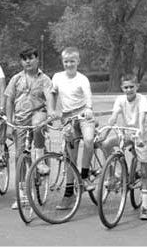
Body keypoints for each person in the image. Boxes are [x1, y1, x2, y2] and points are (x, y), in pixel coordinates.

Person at [47, 47, 97, 210]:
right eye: (66, 61)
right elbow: (52, 94)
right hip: (68, 117)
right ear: (63, 62)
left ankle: (84, 176)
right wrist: (52, 111)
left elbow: (88, 95)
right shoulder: (57, 77)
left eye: (72, 61)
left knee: (89, 140)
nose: (69, 64)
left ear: (78, 62)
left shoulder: (82, 79)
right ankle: (69, 194)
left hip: (83, 113)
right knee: (70, 156)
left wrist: (89, 108)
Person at [4, 47, 53, 210]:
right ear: (21, 62)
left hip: (38, 112)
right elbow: (9, 100)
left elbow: (49, 96)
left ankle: (40, 159)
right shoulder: (16, 79)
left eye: (31, 58)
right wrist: (10, 123)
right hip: (20, 119)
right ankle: (23, 193)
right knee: (20, 156)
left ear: (37, 59)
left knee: (38, 124)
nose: (28, 61)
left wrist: (51, 113)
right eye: (25, 59)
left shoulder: (45, 79)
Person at [100, 74, 147, 220]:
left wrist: (141, 134)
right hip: (127, 133)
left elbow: (142, 118)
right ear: (122, 88)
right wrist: (106, 132)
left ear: (137, 86)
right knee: (106, 144)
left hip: (141, 135)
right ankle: (116, 174)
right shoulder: (120, 99)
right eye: (126, 87)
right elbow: (114, 116)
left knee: (144, 171)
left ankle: (145, 207)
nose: (129, 90)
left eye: (131, 87)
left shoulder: (142, 99)